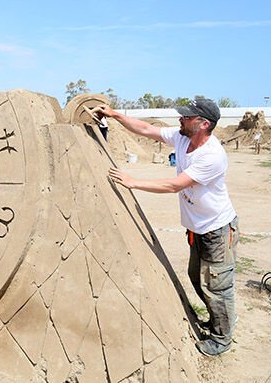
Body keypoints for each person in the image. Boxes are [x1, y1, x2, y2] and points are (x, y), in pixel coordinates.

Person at [92, 98, 239, 356]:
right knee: (198, 278)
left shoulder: (212, 155)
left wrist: (133, 182)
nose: (181, 119)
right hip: (197, 228)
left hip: (216, 230)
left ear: (204, 124)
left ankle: (222, 338)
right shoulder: (182, 137)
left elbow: (175, 185)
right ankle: (220, 320)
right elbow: (147, 129)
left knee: (216, 286)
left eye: (187, 117)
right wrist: (114, 114)